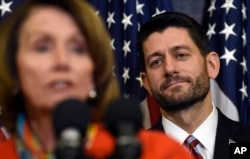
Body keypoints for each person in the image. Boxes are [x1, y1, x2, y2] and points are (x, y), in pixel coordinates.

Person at [0, 1, 193, 158]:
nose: (62, 61)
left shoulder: (157, 153)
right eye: (42, 48)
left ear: (94, 73)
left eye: (77, 49)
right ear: (13, 70)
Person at [137, 12, 250, 159]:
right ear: (147, 83)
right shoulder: (133, 154)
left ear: (211, 65)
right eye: (156, 62)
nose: (170, 68)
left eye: (181, 55)